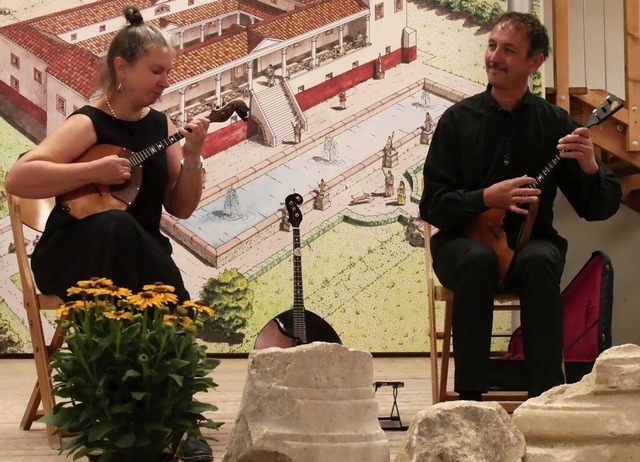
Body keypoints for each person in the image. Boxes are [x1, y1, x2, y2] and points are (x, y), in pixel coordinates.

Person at [5, 9, 215, 459]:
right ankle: (122, 414)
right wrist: (93, 169)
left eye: (168, 72)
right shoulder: (87, 122)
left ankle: (168, 414)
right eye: (156, 71)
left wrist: (193, 154)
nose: (165, 82)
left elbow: (181, 207)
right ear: (122, 66)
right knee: (118, 227)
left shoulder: (161, 127)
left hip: (135, 261)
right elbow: (18, 180)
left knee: (130, 236)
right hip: (75, 256)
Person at [419, 12, 621, 401]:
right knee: (477, 259)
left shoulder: (554, 123)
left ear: (535, 62)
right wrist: (484, 199)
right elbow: (433, 205)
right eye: (492, 45)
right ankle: (471, 400)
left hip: (530, 245)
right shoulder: (458, 120)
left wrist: (591, 166)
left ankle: (545, 397)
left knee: (541, 259)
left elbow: (596, 208)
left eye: (508, 50)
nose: (494, 56)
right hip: (462, 246)